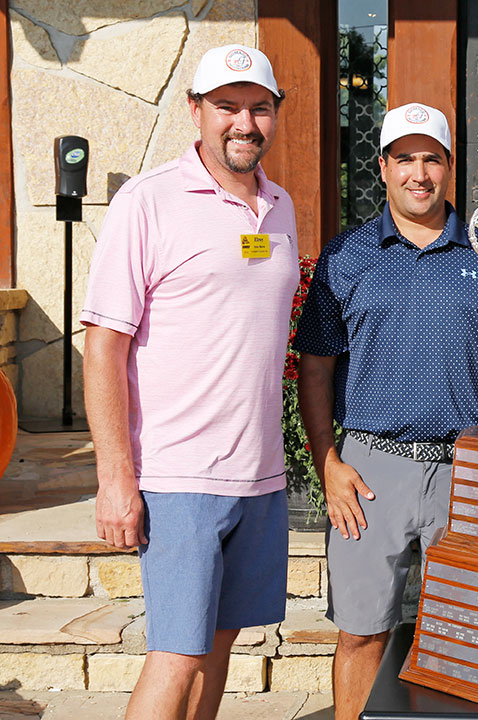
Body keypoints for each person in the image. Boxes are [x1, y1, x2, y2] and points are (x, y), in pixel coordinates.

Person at [294, 102, 478, 719]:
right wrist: (327, 462)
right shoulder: (346, 256)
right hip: (370, 471)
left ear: (449, 168)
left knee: (464, 633)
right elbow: (316, 368)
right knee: (360, 631)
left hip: (470, 473)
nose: (418, 173)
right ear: (382, 167)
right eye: (404, 158)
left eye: (430, 158)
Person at [81, 45, 296, 719]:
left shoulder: (280, 205)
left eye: (259, 108)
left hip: (258, 474)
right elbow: (103, 347)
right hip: (179, 477)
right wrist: (116, 478)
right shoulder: (147, 201)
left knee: (220, 644)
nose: (244, 123)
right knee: (175, 653)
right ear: (195, 111)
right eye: (227, 107)